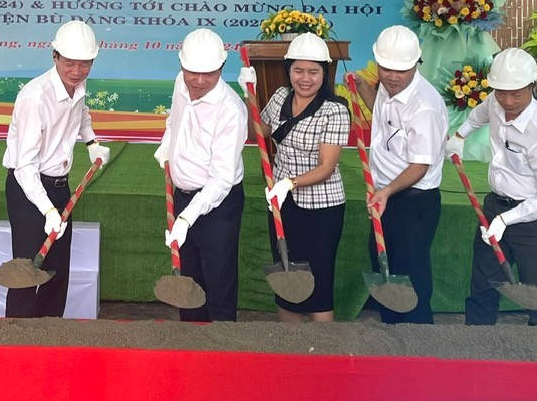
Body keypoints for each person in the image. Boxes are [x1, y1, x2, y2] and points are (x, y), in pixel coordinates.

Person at [445, 48, 537, 327]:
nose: (507, 101)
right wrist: (460, 136)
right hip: (495, 206)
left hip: (535, 222)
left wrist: (506, 220)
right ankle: (477, 342)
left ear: (533, 86)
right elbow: (479, 114)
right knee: (483, 285)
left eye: (516, 94)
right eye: (501, 93)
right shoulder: (496, 103)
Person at [3, 20, 111, 318]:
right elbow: (24, 166)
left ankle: (50, 331)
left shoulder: (77, 86)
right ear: (55, 56)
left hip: (60, 186)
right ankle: (18, 335)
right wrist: (48, 210)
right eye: (70, 63)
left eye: (84, 64)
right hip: (28, 189)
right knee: (27, 271)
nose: (77, 71)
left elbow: (81, 113)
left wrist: (91, 143)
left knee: (58, 269)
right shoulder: (35, 98)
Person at [351, 25, 448, 324]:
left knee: (410, 275)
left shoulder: (425, 107)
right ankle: (390, 332)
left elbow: (420, 166)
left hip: (413, 200)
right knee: (385, 269)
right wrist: (361, 86)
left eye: (401, 70)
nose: (393, 76)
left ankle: (418, 337)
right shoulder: (388, 87)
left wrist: (386, 191)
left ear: (416, 63)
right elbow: (383, 113)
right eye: (386, 69)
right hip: (386, 194)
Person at [251, 33, 349, 323]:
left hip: (321, 208)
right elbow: (258, 131)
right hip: (281, 203)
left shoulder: (335, 110)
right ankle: (292, 345)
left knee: (318, 282)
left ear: (324, 73)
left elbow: (326, 167)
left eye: (313, 72)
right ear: (288, 70)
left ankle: (322, 348)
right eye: (298, 70)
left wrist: (289, 183)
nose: (305, 79)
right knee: (286, 277)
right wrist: (248, 94)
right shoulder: (280, 96)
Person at [154, 29, 247, 322]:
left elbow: (221, 179)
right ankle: (191, 340)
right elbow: (174, 120)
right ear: (181, 64)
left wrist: (185, 219)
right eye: (192, 72)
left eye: (209, 73)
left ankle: (222, 342)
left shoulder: (231, 110)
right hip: (182, 196)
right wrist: (167, 145)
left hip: (218, 205)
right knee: (188, 283)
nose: (199, 80)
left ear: (222, 67)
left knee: (218, 282)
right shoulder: (180, 83)